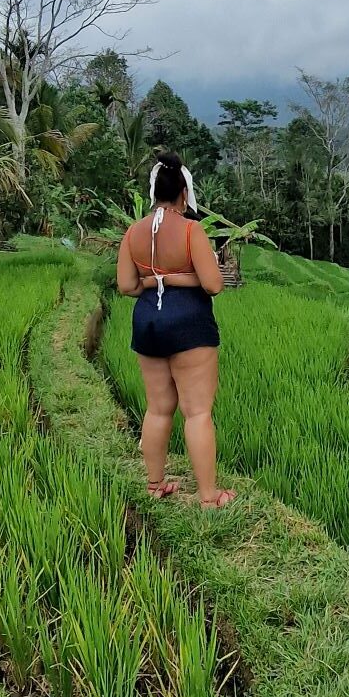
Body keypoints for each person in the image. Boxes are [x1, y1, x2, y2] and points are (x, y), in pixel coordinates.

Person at [116, 153, 235, 509]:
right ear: (184, 192)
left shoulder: (134, 232)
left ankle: (155, 485)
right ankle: (209, 497)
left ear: (154, 193)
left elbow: (126, 285)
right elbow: (214, 284)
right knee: (197, 412)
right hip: (189, 324)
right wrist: (182, 277)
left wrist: (158, 279)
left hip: (148, 321)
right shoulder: (190, 230)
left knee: (157, 408)